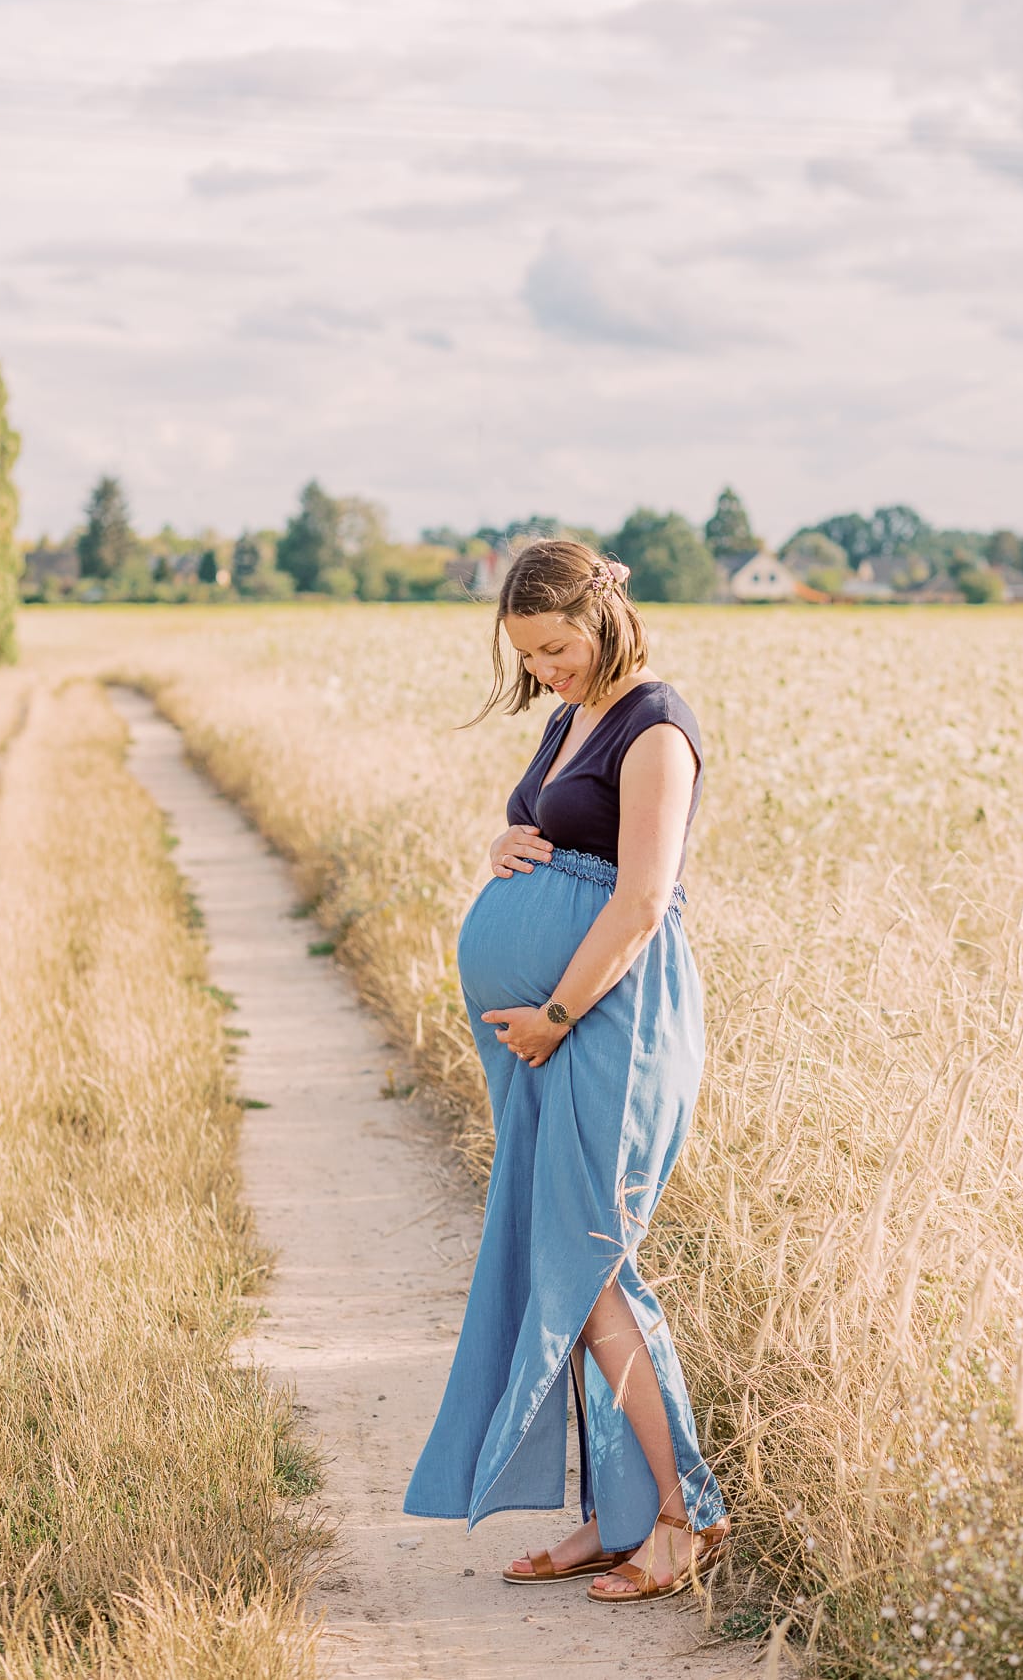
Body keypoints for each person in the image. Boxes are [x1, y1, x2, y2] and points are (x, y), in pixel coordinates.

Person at [403, 538, 728, 1601]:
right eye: (529, 656)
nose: (546, 669)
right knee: (567, 1263)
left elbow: (641, 900)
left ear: (602, 614)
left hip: (612, 1020)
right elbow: (542, 824)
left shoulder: (656, 725)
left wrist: (551, 1012)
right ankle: (616, 1517)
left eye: (555, 647)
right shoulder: (567, 719)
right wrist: (504, 842)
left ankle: (683, 1518)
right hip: (556, 1031)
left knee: (585, 1262)